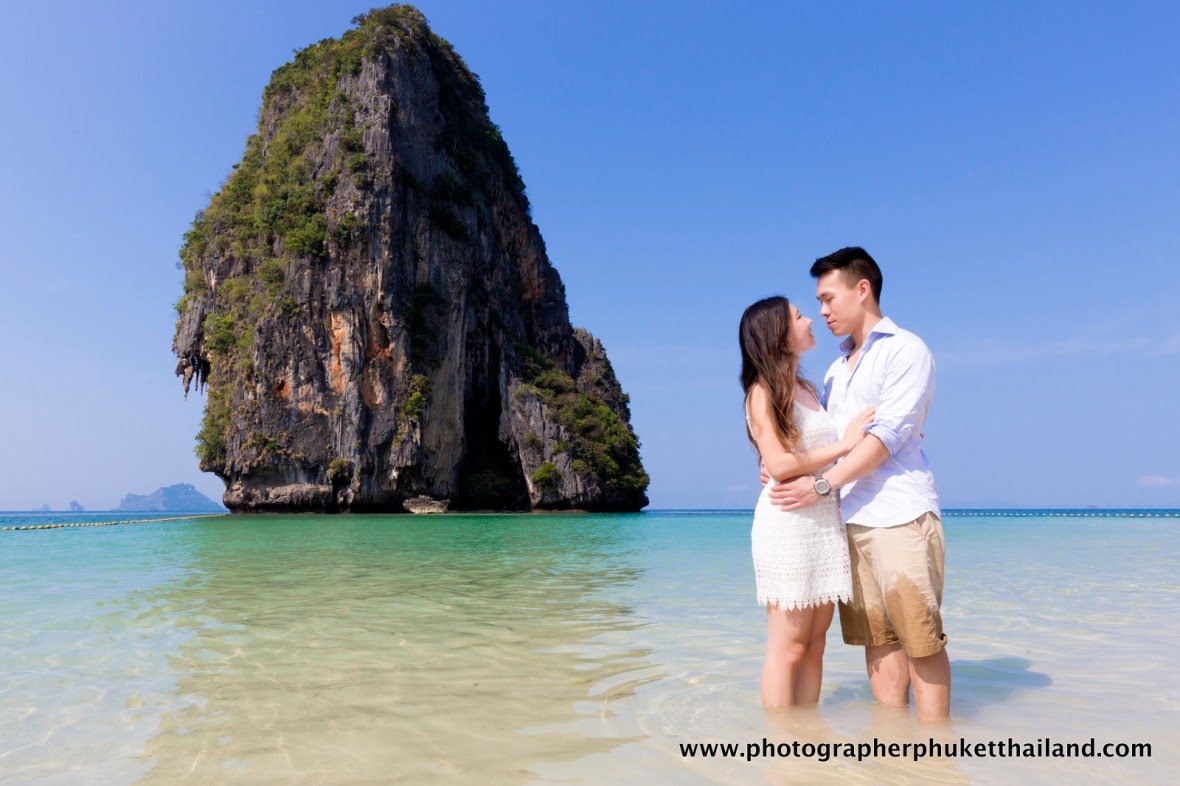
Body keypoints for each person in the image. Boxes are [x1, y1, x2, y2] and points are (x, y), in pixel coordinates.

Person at [766, 247, 950, 722]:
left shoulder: (905, 349)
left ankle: (937, 757)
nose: (822, 312)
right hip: (849, 520)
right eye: (817, 303)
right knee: (877, 641)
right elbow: (826, 440)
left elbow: (883, 439)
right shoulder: (834, 370)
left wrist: (820, 486)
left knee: (921, 640)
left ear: (861, 289)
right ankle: (893, 751)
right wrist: (781, 468)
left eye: (828, 298)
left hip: (900, 515)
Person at [739, 296, 875, 708]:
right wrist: (844, 445)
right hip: (788, 524)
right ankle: (781, 748)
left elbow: (784, 457)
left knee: (815, 647)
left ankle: (807, 739)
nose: (810, 318)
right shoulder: (762, 392)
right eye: (799, 316)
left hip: (822, 521)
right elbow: (780, 464)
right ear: (778, 332)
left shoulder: (808, 389)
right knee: (789, 648)